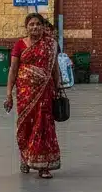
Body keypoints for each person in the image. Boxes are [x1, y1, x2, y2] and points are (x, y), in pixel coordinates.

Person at [4, 12, 62, 179]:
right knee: (26, 127)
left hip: (45, 93)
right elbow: (13, 70)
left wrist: (57, 87)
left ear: (43, 27)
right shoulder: (19, 45)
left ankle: (44, 166)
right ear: (26, 27)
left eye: (38, 24)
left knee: (43, 127)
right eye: (32, 24)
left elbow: (55, 68)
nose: (35, 27)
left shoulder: (50, 44)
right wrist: (8, 94)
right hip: (25, 94)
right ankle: (26, 157)